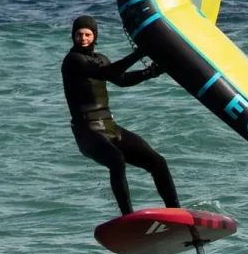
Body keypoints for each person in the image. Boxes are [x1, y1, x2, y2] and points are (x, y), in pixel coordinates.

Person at [61, 13, 180, 215]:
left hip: (110, 127)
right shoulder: (73, 61)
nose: (83, 38)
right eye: (79, 34)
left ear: (95, 36)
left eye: (87, 34)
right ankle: (128, 217)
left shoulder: (100, 59)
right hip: (87, 132)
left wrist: (150, 73)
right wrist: (140, 53)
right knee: (117, 160)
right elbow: (107, 73)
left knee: (157, 162)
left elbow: (122, 79)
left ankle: (177, 213)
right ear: (73, 36)